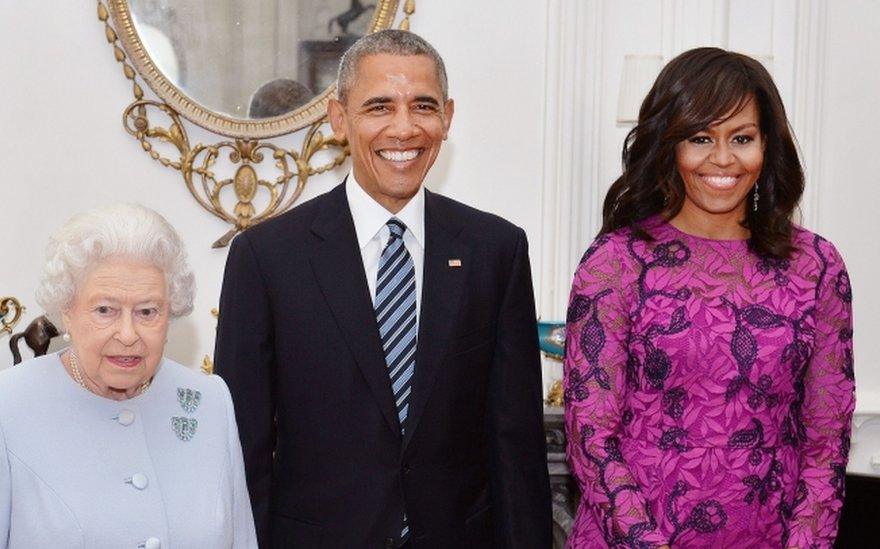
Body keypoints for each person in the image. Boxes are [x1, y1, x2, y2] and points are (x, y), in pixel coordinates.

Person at [215, 29, 552, 548]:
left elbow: (516, 441)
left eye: (423, 105)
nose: (404, 128)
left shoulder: (496, 250)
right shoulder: (266, 257)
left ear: (447, 117)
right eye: (378, 106)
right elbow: (243, 448)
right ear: (338, 119)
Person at [563, 47, 855, 548]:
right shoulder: (617, 262)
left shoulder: (817, 266)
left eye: (741, 138)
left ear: (767, 146)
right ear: (669, 146)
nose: (723, 159)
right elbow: (591, 436)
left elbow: (826, 444)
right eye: (701, 138)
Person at [0, 204, 257, 548]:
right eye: (105, 310)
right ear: (66, 312)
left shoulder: (209, 401)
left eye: (147, 311)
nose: (128, 333)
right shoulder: (1, 406)